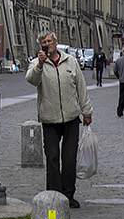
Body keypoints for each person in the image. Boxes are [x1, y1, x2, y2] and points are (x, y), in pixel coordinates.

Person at [25, 30, 92, 209]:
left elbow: (81, 88)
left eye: (49, 41)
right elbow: (31, 79)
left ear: (55, 42)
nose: (47, 44)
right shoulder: (37, 63)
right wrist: (40, 64)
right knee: (52, 158)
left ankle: (68, 194)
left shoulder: (71, 61)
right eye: (44, 42)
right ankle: (54, 195)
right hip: (49, 119)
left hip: (71, 118)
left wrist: (87, 111)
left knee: (69, 159)